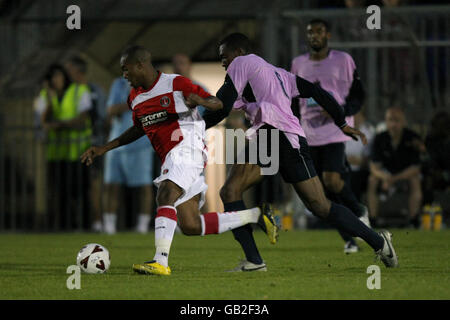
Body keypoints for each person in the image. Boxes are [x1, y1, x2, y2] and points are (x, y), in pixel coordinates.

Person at [202, 33, 398, 270]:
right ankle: (380, 243)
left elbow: (222, 106)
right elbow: (316, 92)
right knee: (316, 205)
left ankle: (256, 253)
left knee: (316, 205)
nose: (223, 61)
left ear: (240, 53)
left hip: (277, 135)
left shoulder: (242, 64)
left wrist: (196, 126)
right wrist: (341, 122)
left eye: (224, 56)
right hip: (283, 137)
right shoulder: (278, 74)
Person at [80, 45, 278, 276]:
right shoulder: (134, 97)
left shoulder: (175, 83)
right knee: (191, 225)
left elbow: (217, 103)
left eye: (126, 70)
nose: (124, 75)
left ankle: (160, 261)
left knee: (166, 193)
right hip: (171, 155)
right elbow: (138, 128)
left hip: (186, 147)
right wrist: (105, 148)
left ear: (140, 65)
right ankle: (257, 215)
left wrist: (201, 101)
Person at [291, 18, 370, 254]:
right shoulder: (297, 64)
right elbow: (293, 98)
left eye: (319, 31)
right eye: (310, 32)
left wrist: (341, 111)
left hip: (336, 130)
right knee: (321, 192)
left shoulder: (343, 60)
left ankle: (359, 212)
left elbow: (358, 94)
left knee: (332, 181)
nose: (314, 35)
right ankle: (349, 239)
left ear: (328, 36)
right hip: (309, 133)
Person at [41, 63, 92, 230]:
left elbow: (82, 119)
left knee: (80, 191)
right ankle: (64, 226)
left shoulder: (80, 91)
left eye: (58, 76)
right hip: (56, 153)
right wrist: (49, 99)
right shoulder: (47, 95)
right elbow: (44, 121)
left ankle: (85, 225)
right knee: (59, 193)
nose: (55, 80)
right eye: (52, 78)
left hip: (79, 151)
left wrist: (60, 125)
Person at [102, 76, 155, 234]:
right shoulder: (118, 83)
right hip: (116, 142)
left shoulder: (151, 84)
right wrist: (132, 103)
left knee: (144, 187)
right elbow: (111, 110)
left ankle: (142, 225)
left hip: (141, 144)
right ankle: (109, 225)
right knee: (111, 185)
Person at [65, 56, 107, 231]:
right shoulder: (71, 91)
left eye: (70, 70)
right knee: (80, 186)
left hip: (93, 144)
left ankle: (98, 222)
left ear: (77, 70)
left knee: (94, 184)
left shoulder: (93, 90)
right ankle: (84, 222)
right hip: (75, 147)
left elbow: (103, 117)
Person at [368, 106, 422, 227]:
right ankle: (373, 220)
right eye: (390, 120)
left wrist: (393, 179)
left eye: (397, 120)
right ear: (386, 121)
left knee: (415, 180)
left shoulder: (413, 138)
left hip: (405, 174)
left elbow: (415, 168)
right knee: (372, 180)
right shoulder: (379, 138)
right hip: (386, 174)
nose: (393, 124)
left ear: (403, 122)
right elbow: (373, 167)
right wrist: (385, 177)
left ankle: (414, 220)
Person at [345, 111, 375, 202]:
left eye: (357, 115)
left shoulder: (369, 133)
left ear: (363, 118)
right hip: (343, 168)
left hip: (361, 171)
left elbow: (368, 158)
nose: (354, 118)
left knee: (355, 179)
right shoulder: (340, 131)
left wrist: (362, 161)